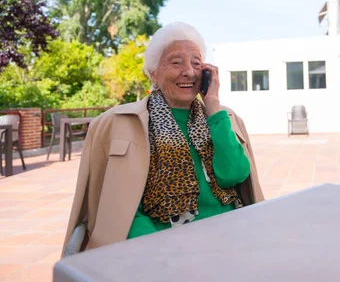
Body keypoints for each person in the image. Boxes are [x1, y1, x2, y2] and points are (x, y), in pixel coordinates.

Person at [63, 22, 264, 253]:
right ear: (153, 73)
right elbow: (123, 209)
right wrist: (165, 251)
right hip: (165, 248)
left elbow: (234, 175)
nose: (188, 71)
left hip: (230, 236)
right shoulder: (120, 124)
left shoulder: (223, 118)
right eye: (176, 62)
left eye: (196, 63)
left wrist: (214, 109)